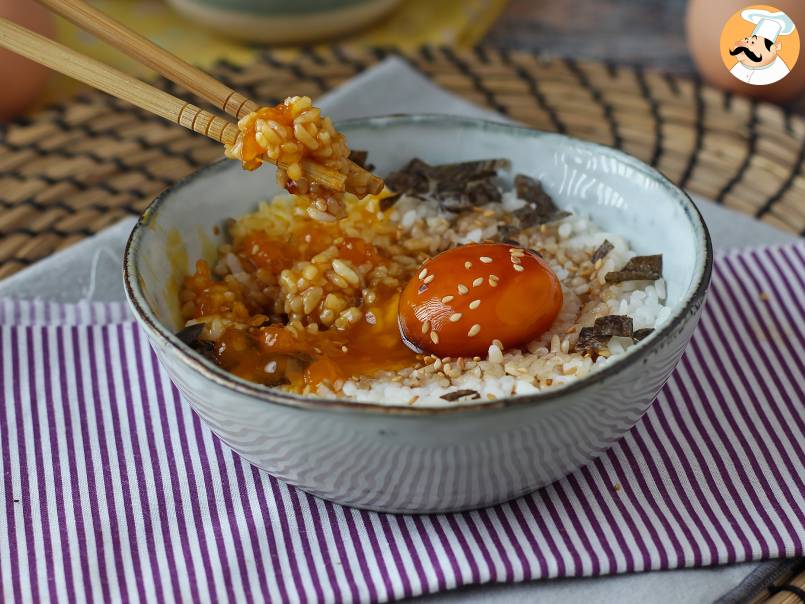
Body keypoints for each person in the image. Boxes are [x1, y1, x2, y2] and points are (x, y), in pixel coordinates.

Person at [728, 9, 796, 85]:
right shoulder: (739, 67)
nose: (746, 44)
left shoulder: (779, 72)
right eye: (746, 40)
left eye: (753, 42)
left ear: (775, 47)